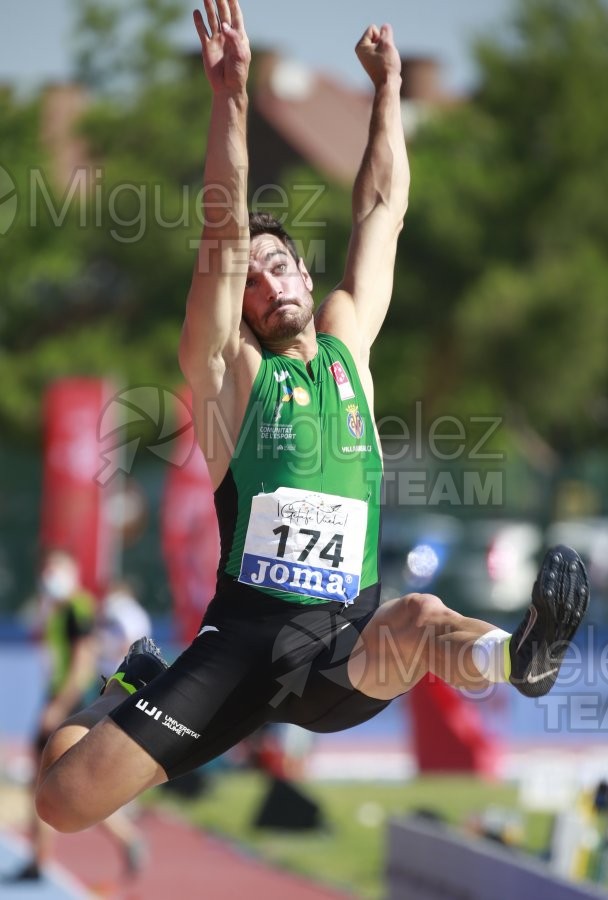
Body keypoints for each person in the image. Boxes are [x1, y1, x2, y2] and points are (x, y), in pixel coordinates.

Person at [35, 0, 589, 835]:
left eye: (279, 263)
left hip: (343, 650)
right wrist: (231, 97)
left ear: (303, 268)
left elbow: (381, 210)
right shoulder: (230, 375)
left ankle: (524, 656)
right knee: (62, 800)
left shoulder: (348, 352)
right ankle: (131, 685)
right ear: (244, 308)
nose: (268, 280)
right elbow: (221, 237)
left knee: (423, 619)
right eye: (252, 278)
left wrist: (389, 93)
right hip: (241, 644)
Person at [7, 549, 96, 881]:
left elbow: (82, 662)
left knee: (58, 782)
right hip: (56, 696)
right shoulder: (59, 609)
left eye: (55, 569)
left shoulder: (77, 608)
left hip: (65, 700)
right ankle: (38, 856)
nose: (49, 576)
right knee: (44, 780)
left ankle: (41, 858)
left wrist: (58, 706)